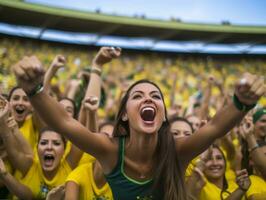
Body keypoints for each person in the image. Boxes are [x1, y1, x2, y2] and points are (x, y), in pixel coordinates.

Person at [12, 49, 265, 199]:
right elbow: (66, 123)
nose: (148, 98)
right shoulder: (110, 151)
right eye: (138, 95)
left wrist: (241, 102)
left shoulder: (177, 151)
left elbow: (213, 129)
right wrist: (34, 89)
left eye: (156, 96)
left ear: (163, 116)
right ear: (124, 115)